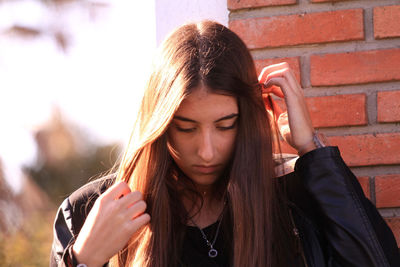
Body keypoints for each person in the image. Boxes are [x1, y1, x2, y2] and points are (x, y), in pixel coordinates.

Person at [50, 21, 400, 267]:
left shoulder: (294, 195)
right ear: (159, 125)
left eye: (225, 126)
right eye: (185, 128)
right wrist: (82, 261)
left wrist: (312, 150)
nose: (206, 151)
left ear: (246, 120)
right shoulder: (88, 212)